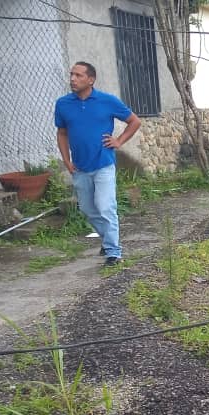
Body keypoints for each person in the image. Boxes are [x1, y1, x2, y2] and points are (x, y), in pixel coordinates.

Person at [55, 61, 141, 267]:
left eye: (78, 75)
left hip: (103, 164)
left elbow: (134, 121)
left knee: (105, 207)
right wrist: (67, 161)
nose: (73, 79)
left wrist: (119, 141)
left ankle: (113, 252)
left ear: (91, 80)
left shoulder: (107, 101)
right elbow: (62, 133)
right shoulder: (63, 103)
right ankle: (108, 239)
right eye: (71, 75)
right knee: (87, 209)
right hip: (80, 167)